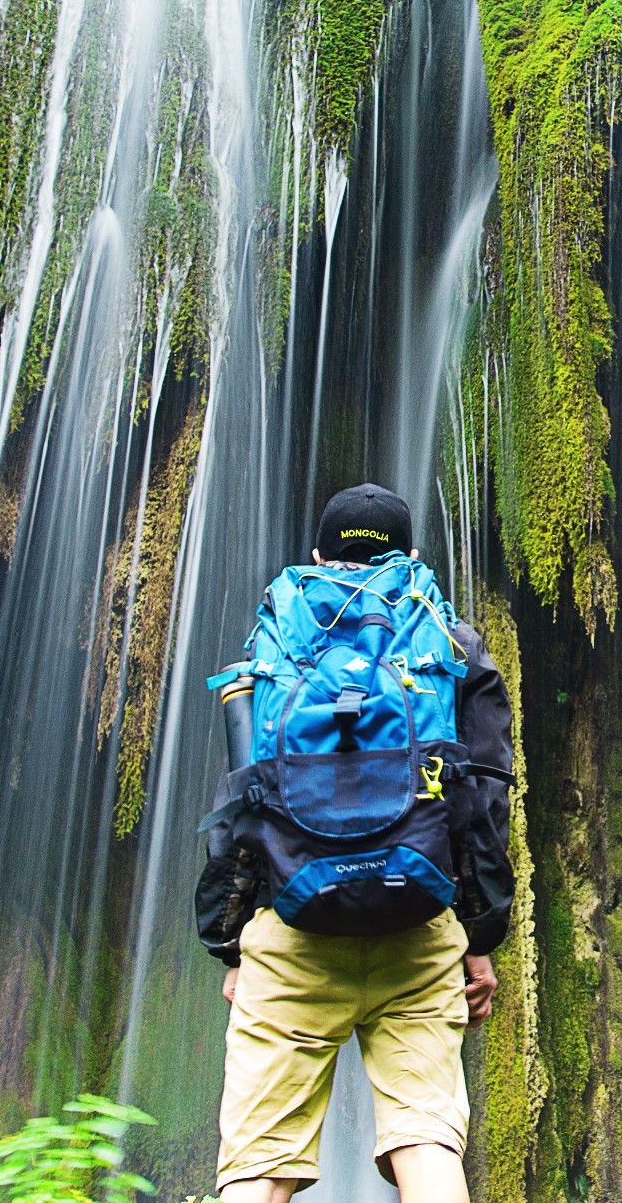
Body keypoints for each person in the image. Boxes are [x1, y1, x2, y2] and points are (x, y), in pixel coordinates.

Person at [197, 483, 515, 1203]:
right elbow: (482, 802)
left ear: (317, 556)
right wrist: (479, 937)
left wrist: (233, 941)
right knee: (425, 1136)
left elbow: (244, 803)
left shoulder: (276, 645)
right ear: (408, 557)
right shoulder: (450, 643)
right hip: (417, 925)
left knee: (258, 1165)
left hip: (293, 925)